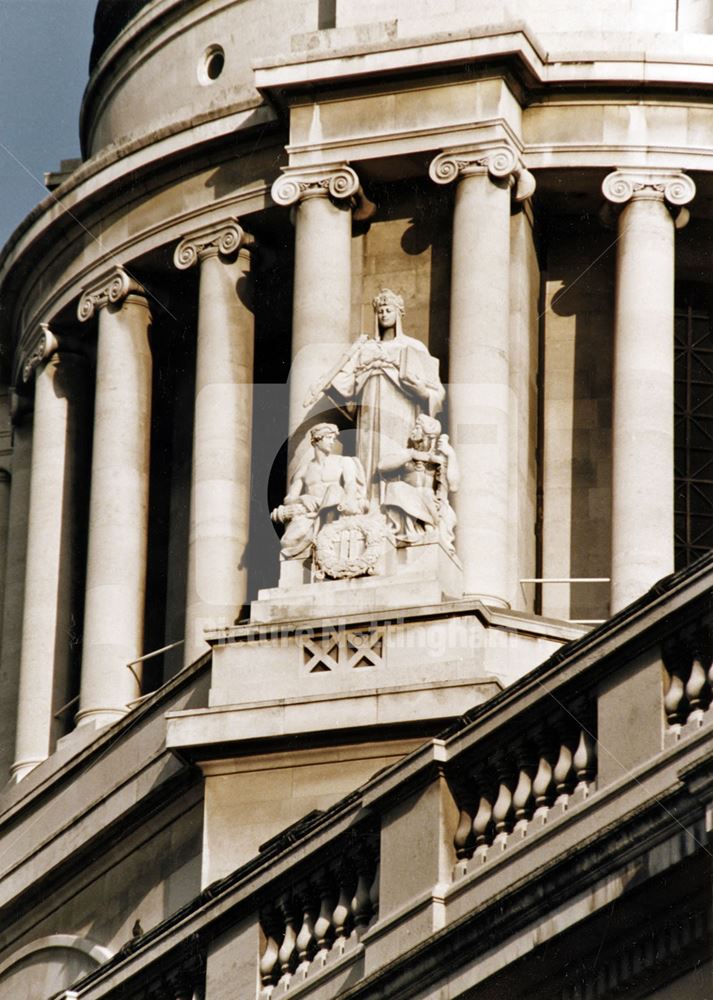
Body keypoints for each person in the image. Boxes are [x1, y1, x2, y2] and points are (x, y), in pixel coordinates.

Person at [314, 289, 445, 502]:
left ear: (398, 313)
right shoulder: (365, 348)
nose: (384, 314)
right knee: (367, 455)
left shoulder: (413, 347)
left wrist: (422, 391)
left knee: (395, 452)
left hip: (401, 408)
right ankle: (367, 503)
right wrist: (329, 384)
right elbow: (347, 386)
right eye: (381, 310)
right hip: (368, 408)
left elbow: (436, 391)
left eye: (388, 310)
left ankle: (393, 507)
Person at [271, 423, 367, 560]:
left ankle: (321, 532)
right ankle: (316, 532)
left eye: (333, 438)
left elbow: (350, 487)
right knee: (287, 542)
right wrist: (302, 498)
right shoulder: (304, 469)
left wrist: (347, 503)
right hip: (311, 515)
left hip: (335, 512)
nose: (332, 442)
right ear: (317, 439)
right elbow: (289, 499)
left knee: (334, 489)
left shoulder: (343, 462)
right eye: (329, 438)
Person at [378, 414, 459, 553]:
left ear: (427, 434)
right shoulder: (407, 453)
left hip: (430, 501)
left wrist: (451, 455)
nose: (413, 432)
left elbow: (453, 486)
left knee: (426, 493)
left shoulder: (439, 458)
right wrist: (411, 455)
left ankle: (428, 525)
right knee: (395, 487)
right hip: (408, 496)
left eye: (417, 428)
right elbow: (382, 466)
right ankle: (417, 529)